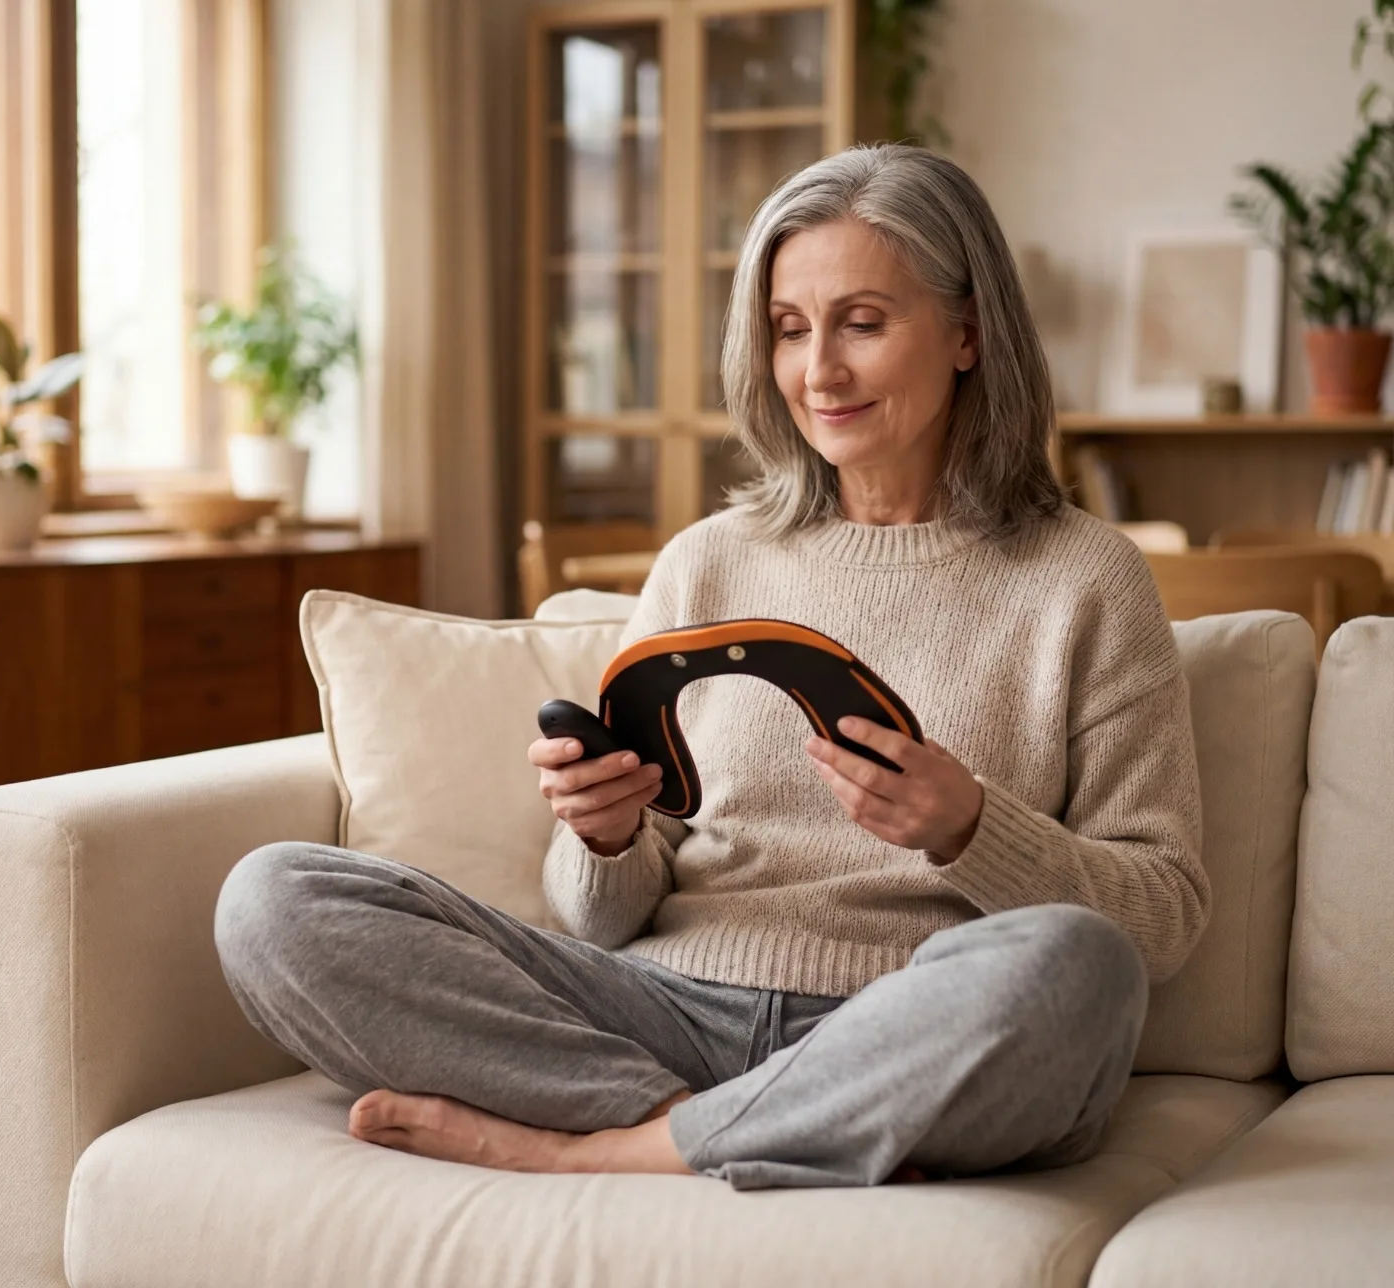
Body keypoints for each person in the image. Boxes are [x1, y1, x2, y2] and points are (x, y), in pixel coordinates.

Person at [215, 143, 1209, 1190]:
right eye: (789, 330)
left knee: (1077, 970)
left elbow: (1162, 917)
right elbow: (597, 916)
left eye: (861, 323)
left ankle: (599, 1147)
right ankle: (718, 1127)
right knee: (271, 898)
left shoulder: (1087, 580)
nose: (816, 371)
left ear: (967, 331)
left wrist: (971, 829)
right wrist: (602, 835)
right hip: (664, 1011)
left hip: (907, 1019)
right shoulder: (709, 560)